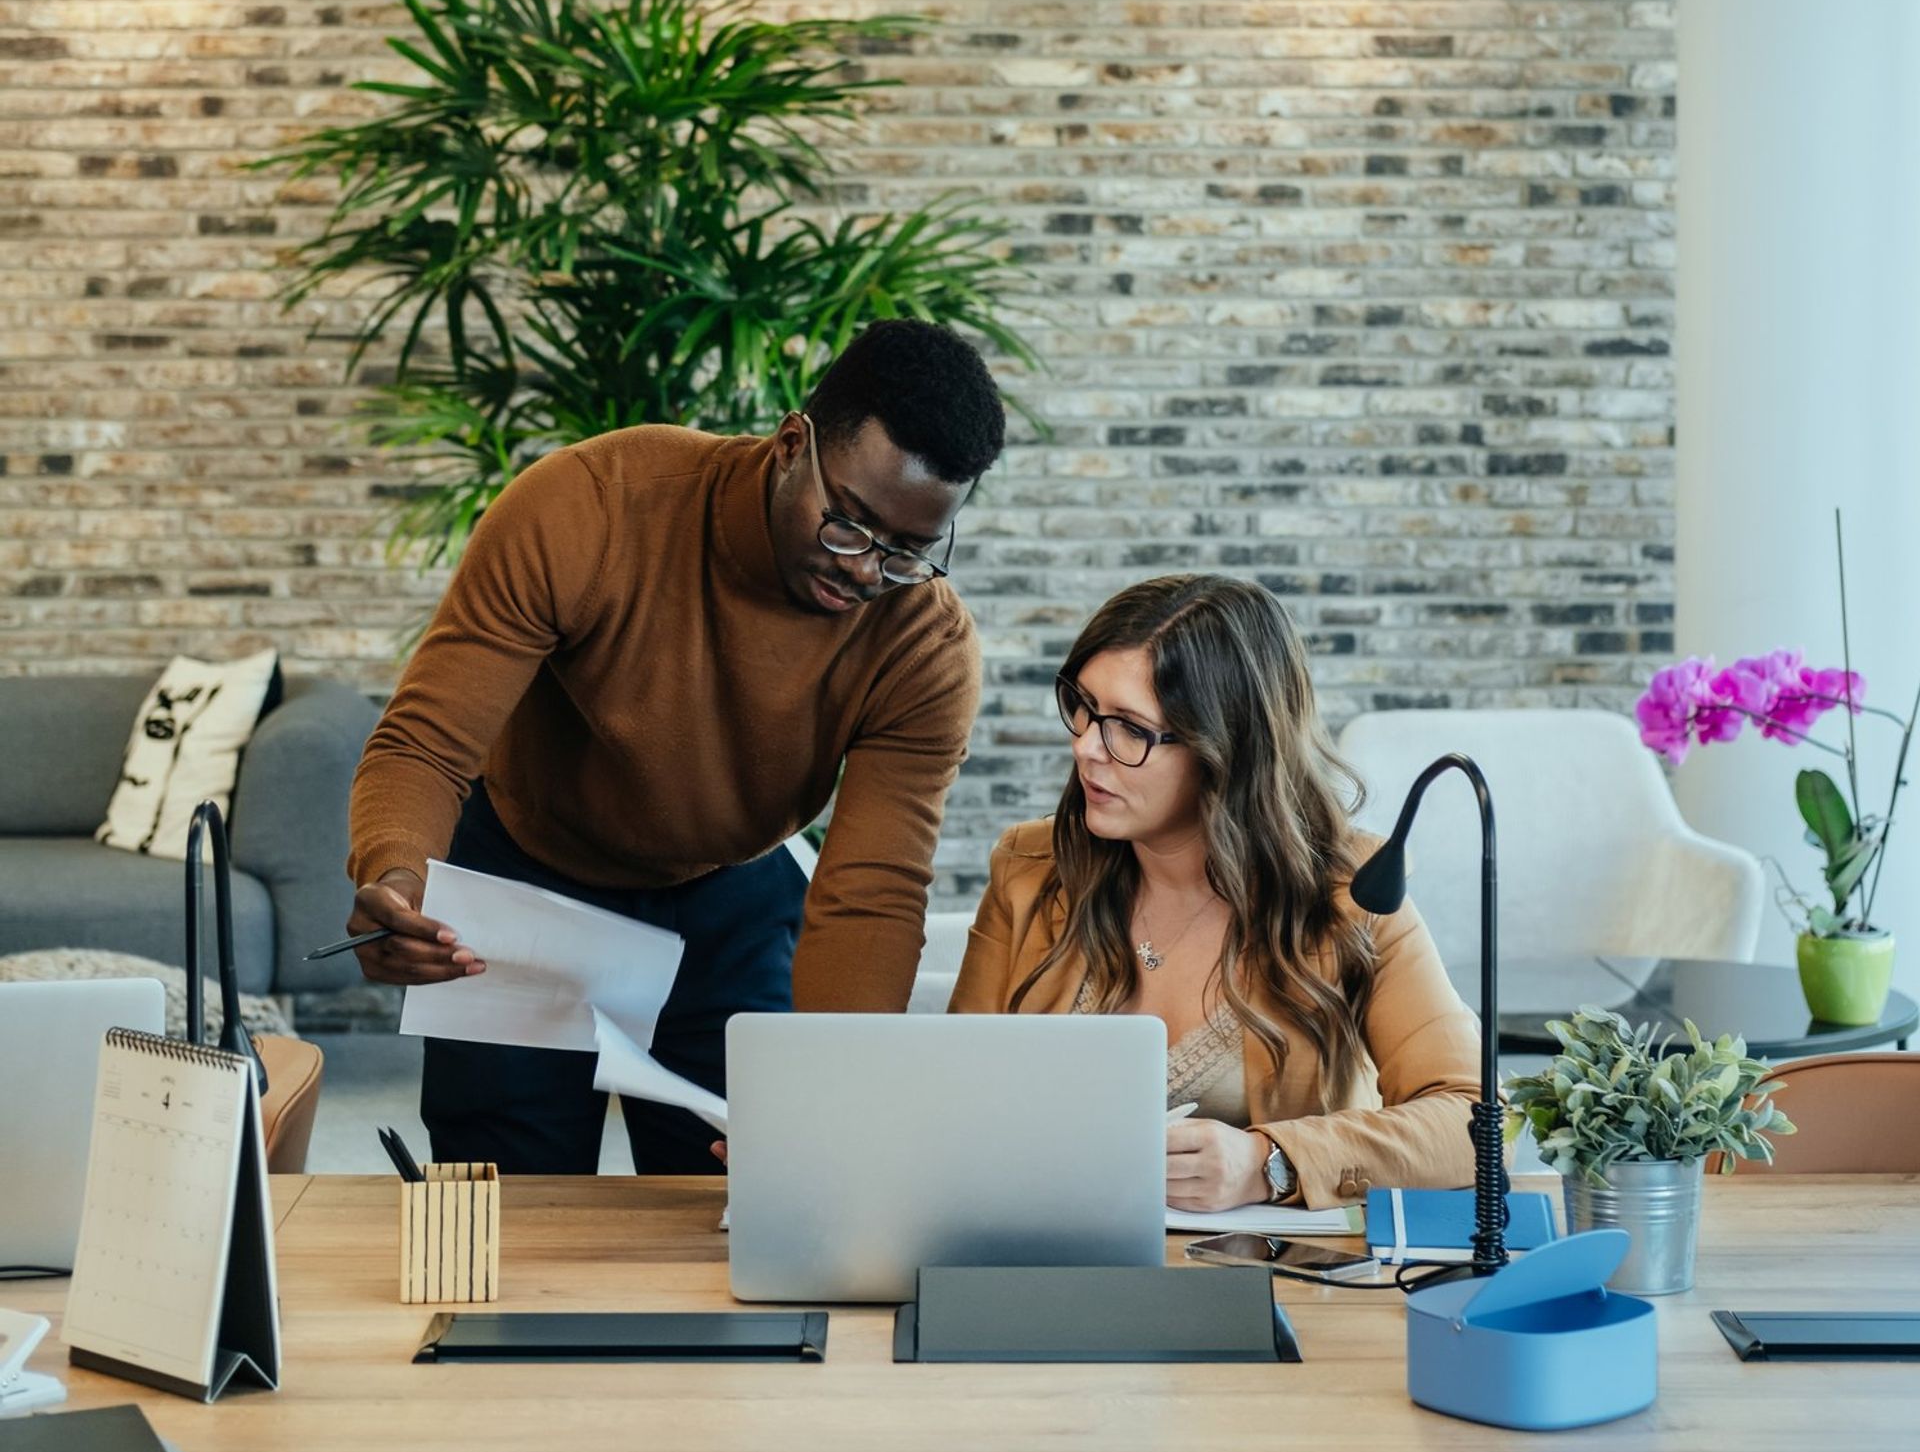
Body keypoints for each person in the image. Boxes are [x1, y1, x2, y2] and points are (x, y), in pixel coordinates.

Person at [345, 319, 1006, 1175]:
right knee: (509, 1211)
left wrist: (843, 1085)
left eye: (908, 550)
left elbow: (872, 888)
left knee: (744, 1194)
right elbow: (428, 742)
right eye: (850, 525)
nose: (865, 571)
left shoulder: (924, 645)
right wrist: (397, 874)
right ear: (791, 444)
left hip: (726, 903)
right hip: (521, 882)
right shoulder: (591, 505)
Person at [950, 575, 1480, 1212]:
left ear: (1228, 750)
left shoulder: (1348, 894)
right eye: (1084, 707)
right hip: (1047, 1260)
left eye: (1130, 729)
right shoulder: (1031, 869)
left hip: (1269, 1282)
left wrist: (1270, 1162)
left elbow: (1474, 1122)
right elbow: (957, 1097)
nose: (1086, 746)